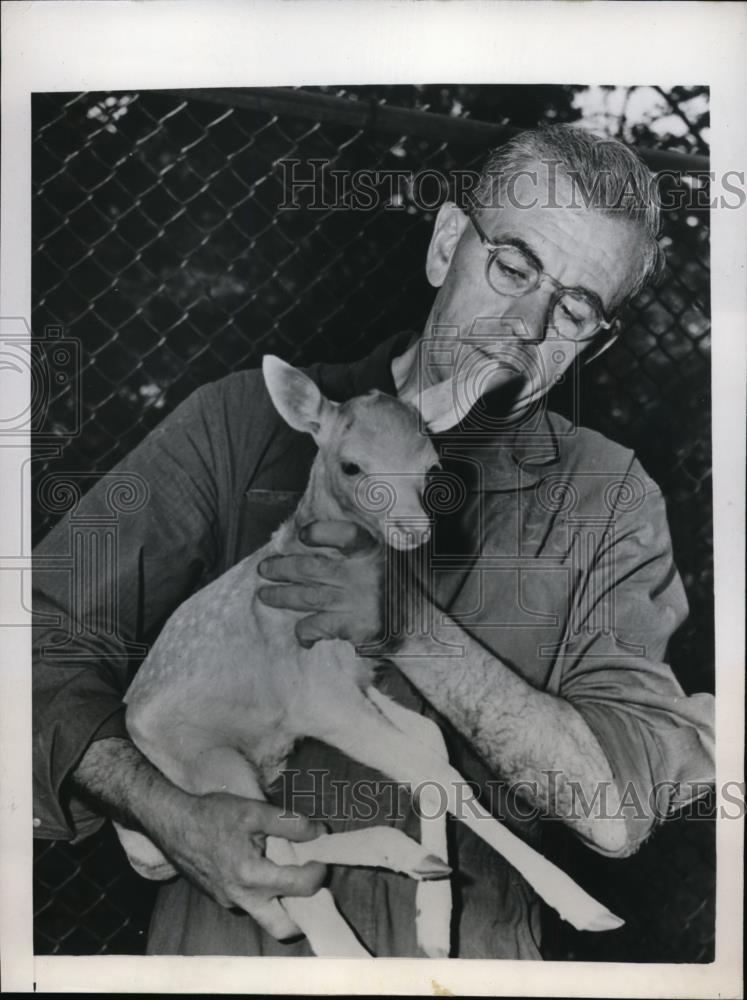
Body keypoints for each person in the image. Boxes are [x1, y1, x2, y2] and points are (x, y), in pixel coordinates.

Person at [33, 124, 714, 958]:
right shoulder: (240, 423)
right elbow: (33, 638)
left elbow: (617, 806)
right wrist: (160, 807)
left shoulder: (609, 498)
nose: (528, 326)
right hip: (233, 960)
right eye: (513, 267)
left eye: (574, 308)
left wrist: (411, 627)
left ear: (594, 341)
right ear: (445, 246)